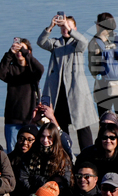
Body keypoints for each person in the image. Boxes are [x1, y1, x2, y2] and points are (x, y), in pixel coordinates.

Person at [36, 13, 96, 151]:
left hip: (76, 94)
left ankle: (88, 157)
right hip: (59, 95)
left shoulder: (77, 44)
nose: (64, 28)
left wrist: (69, 30)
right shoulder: (55, 44)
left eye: (68, 25)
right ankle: (64, 156)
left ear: (74, 27)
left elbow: (84, 42)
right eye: (62, 26)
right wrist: (50, 26)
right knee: (60, 127)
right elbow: (41, 42)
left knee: (83, 128)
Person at [86, 12, 118, 129]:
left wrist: (100, 78)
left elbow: (92, 68)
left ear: (99, 25)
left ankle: (107, 142)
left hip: (103, 87)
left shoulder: (94, 43)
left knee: (105, 119)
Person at [0, 38, 43, 152]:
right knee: (12, 152)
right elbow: (0, 72)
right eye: (18, 49)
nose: (20, 52)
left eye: (22, 49)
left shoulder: (32, 71)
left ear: (29, 52)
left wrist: (25, 52)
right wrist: (10, 53)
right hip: (12, 118)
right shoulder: (11, 69)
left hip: (30, 118)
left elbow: (40, 69)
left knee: (32, 151)